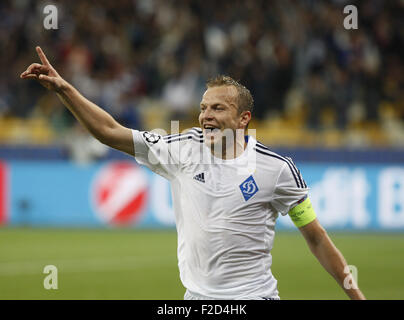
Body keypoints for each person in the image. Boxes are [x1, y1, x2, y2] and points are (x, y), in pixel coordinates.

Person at [20, 46, 366, 300]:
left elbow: (316, 237)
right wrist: (65, 89)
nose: (206, 115)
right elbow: (110, 131)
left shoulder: (277, 170)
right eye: (203, 108)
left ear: (244, 119)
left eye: (218, 107)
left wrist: (355, 295)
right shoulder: (182, 149)